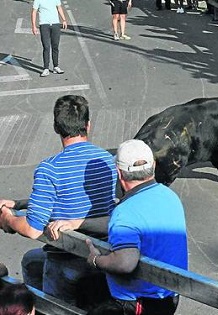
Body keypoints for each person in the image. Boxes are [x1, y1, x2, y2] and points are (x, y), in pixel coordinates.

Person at [0, 95, 117, 305]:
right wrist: (19, 204)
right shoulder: (106, 160)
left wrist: (8, 219)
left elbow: (32, 229)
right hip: (102, 254)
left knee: (40, 276)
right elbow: (72, 196)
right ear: (87, 125)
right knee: (30, 260)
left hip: (65, 259)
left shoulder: (50, 168)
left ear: (56, 127)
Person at [73, 139, 188, 315]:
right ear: (154, 165)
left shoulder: (125, 211)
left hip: (139, 302)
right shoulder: (168, 197)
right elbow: (133, 225)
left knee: (82, 289)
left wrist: (96, 260)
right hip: (169, 295)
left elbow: (125, 263)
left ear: (119, 173)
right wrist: (79, 223)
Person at [31, 0, 68, 77]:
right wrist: (34, 26)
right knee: (46, 47)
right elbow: (34, 12)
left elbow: (59, 7)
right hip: (44, 25)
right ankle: (46, 69)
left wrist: (64, 20)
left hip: (55, 24)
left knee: (55, 46)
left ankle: (56, 67)